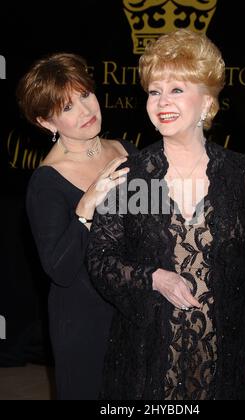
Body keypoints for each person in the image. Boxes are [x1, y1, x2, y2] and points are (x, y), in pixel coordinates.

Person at [86, 29, 245, 400]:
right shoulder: (131, 175)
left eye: (176, 89)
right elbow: (100, 260)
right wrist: (153, 277)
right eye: (154, 91)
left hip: (224, 357)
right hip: (148, 358)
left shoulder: (241, 174)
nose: (162, 101)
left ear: (207, 103)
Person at [16, 52, 137, 400]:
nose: (86, 111)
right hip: (85, 321)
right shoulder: (47, 183)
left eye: (85, 95)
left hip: (132, 310)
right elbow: (60, 270)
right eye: (67, 107)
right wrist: (85, 207)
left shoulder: (126, 151)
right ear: (47, 123)